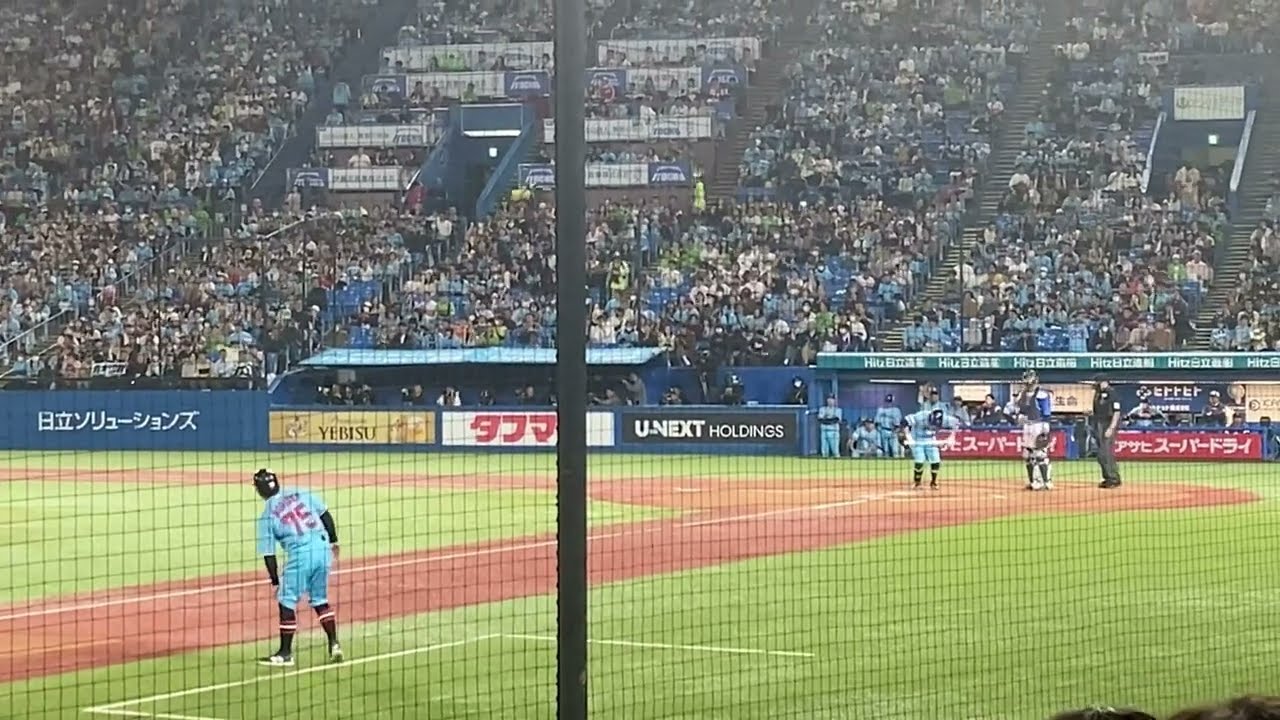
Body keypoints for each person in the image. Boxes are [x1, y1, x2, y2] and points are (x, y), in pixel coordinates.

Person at [254, 468, 343, 666]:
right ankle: (334, 644)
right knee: (320, 599)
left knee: (286, 600)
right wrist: (334, 541)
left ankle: (285, 653)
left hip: (302, 555)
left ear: (259, 490)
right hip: (322, 548)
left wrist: (276, 581)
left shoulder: (267, 514)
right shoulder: (300, 491)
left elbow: (269, 554)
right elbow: (325, 514)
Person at [901, 408, 962, 490]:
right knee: (919, 461)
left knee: (936, 460)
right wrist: (909, 437)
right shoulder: (921, 416)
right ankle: (917, 482)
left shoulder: (946, 419)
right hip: (917, 439)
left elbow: (957, 423)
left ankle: (934, 482)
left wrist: (952, 437)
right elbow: (904, 421)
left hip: (931, 440)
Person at [1014, 370, 1054, 491]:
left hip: (1039, 424)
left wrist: (1045, 429)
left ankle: (1046, 481)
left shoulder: (1042, 394)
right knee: (1027, 455)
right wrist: (1019, 417)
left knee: (1040, 454)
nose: (1027, 383)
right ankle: (1033, 481)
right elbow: (1020, 410)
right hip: (1027, 425)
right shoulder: (1022, 394)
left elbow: (1046, 412)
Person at [1092, 375, 1122, 489]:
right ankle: (1107, 477)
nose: (1096, 384)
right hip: (1098, 424)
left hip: (1107, 424)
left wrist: (1111, 428)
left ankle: (1114, 478)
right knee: (1100, 454)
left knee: (1106, 453)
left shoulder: (1112, 393)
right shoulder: (1098, 394)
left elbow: (1116, 412)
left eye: (1098, 382)